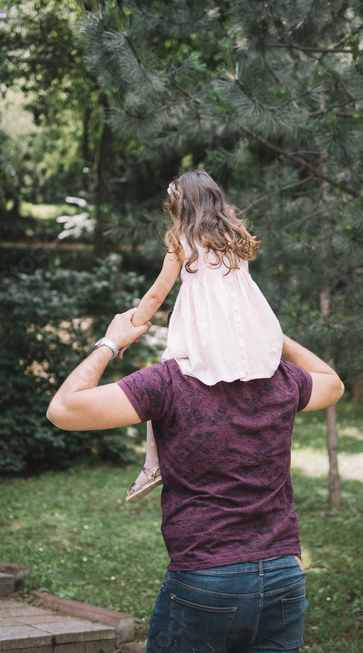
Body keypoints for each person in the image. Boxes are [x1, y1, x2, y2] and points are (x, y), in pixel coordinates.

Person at [47, 304, 343, 653]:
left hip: (206, 579)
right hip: (283, 575)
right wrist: (270, 334)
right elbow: (333, 384)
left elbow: (63, 409)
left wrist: (111, 341)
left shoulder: (167, 382)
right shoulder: (282, 378)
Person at [123, 170, 284, 502]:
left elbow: (156, 295)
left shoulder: (183, 245)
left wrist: (130, 328)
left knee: (165, 382)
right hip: (245, 336)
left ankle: (153, 464)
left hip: (205, 336)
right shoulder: (236, 240)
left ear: (181, 209)